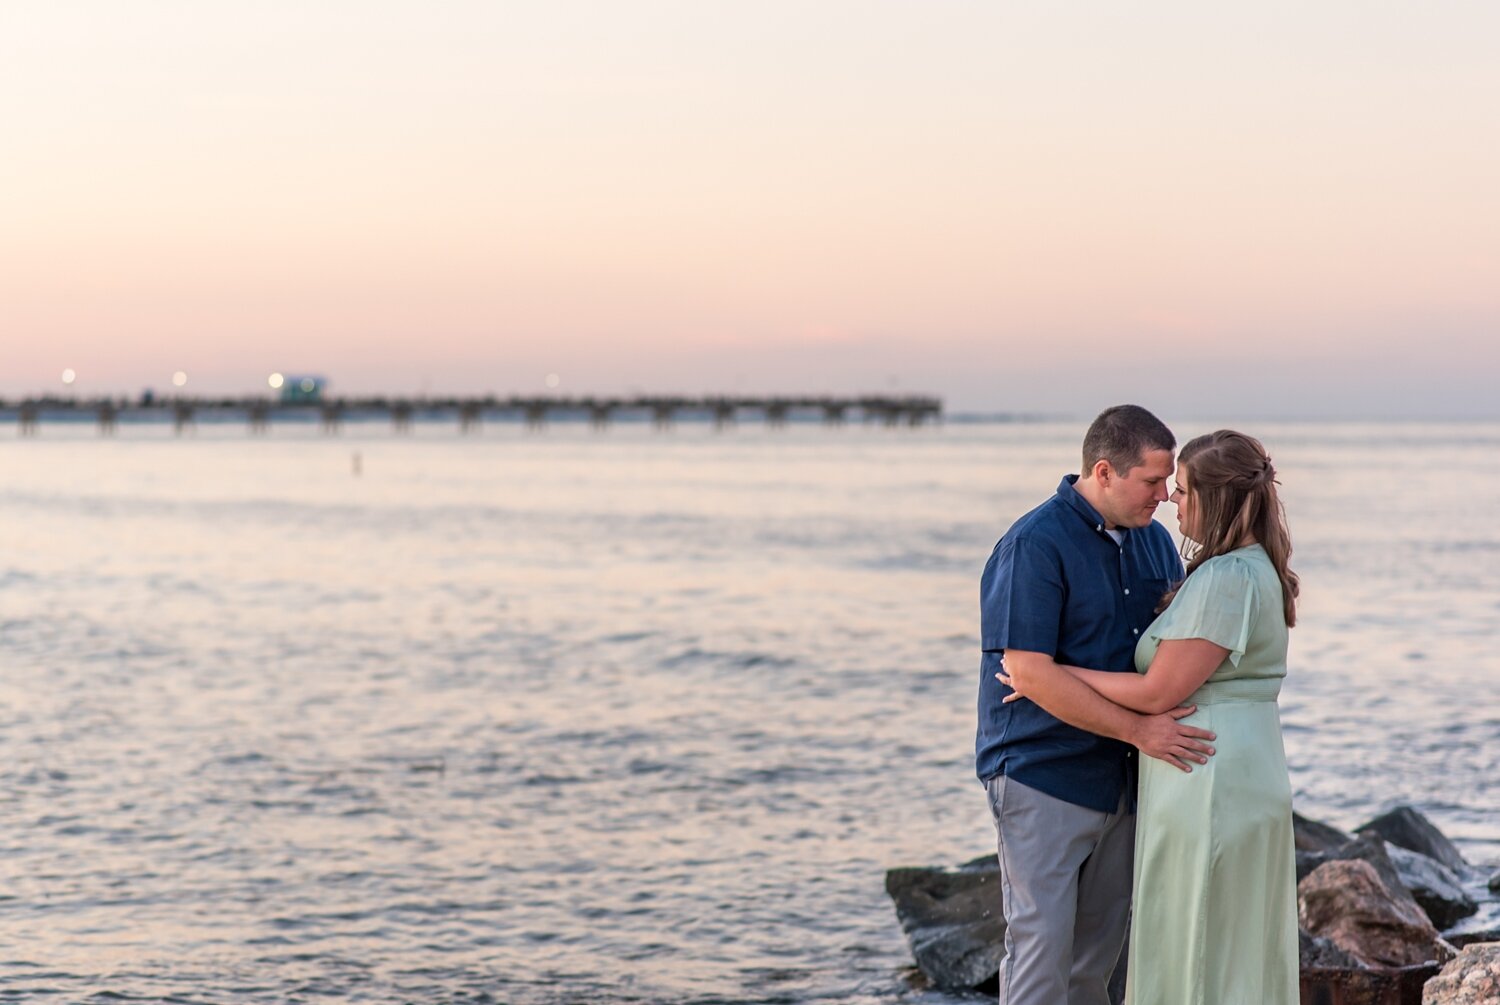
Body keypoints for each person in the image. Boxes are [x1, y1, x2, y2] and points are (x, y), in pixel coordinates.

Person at [1000, 429, 1300, 1005]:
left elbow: (1158, 689)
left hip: (1204, 774)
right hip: (1221, 767)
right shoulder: (1250, 567)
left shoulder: (1223, 575)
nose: (1169, 499)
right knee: (1229, 942)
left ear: (1216, 500)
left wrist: (1051, 674)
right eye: (1161, 484)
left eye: (1181, 488)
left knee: (1196, 941)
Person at [977, 405, 1218, 1005]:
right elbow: (1030, 673)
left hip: (1127, 783)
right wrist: (1142, 732)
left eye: (1168, 483)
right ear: (1105, 472)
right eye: (1153, 481)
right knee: (1040, 953)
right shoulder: (1035, 544)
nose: (1165, 496)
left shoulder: (1155, 545)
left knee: (1095, 965)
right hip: (1043, 773)